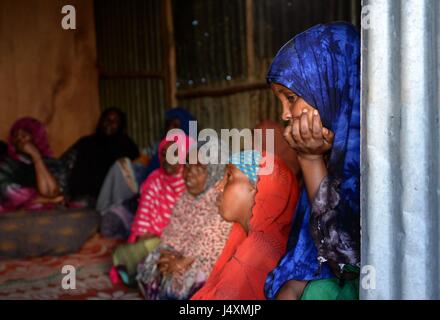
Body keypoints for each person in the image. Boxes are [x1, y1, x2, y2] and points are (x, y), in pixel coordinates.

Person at [263, 22, 361, 300]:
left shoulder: (379, 159)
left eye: (291, 98)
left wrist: (309, 159)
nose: (284, 114)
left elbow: (344, 259)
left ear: (330, 86)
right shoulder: (334, 154)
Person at [191, 150, 300, 300]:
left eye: (229, 176)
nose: (218, 186)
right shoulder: (255, 242)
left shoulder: (255, 260)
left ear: (257, 188)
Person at [137, 138, 232, 300]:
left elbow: (209, 241)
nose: (189, 172)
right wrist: (168, 252)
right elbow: (172, 230)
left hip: (203, 259)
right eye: (187, 165)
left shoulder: (221, 200)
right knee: (153, 261)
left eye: (200, 168)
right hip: (180, 253)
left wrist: (181, 262)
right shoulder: (185, 198)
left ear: (215, 171)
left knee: (189, 277)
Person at [109, 133, 193, 285]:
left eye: (175, 153)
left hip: (183, 241)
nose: (168, 158)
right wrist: (144, 235)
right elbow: (143, 216)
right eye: (164, 153)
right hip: (155, 238)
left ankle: (143, 272)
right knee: (146, 248)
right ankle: (145, 270)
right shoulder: (155, 180)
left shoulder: (193, 181)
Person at [96, 107, 196, 218]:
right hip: (148, 182)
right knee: (120, 166)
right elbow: (144, 159)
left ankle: (115, 213)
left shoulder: (191, 150)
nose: (170, 129)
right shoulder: (160, 144)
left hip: (168, 191)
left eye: (176, 126)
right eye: (169, 125)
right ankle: (103, 212)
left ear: (185, 128)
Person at [61, 107, 139, 206]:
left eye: (115, 121)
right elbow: (65, 163)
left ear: (121, 125)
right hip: (83, 196)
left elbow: (133, 174)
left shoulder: (127, 146)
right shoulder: (86, 142)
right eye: (107, 119)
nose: (110, 123)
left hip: (112, 199)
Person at [0, 117, 65, 213]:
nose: (19, 139)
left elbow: (51, 192)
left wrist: (36, 156)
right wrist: (46, 199)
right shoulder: (8, 163)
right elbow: (8, 192)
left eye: (24, 135)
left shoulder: (51, 163)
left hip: (35, 207)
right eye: (15, 136)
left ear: (36, 137)